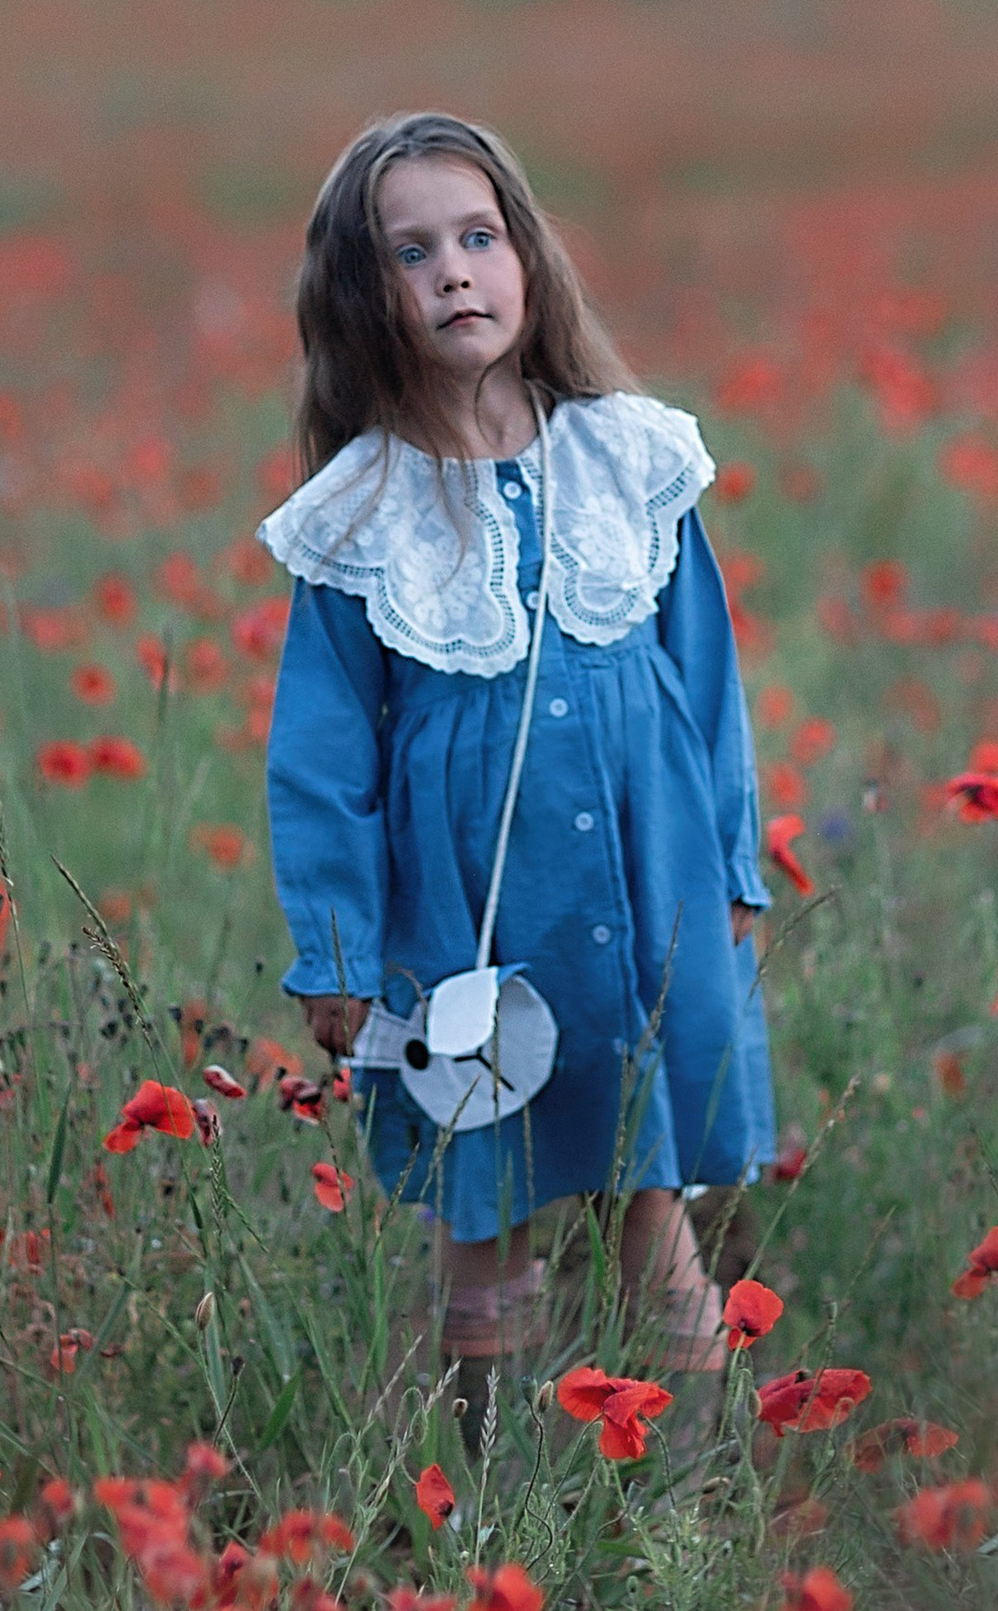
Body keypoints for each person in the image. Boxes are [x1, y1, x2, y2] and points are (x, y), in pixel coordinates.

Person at [259, 109, 775, 1446]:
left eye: (479, 236)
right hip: (469, 919)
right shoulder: (359, 514)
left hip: (644, 894)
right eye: (411, 251)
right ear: (360, 297)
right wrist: (334, 947)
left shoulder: (629, 455)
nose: (454, 272)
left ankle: (698, 1489)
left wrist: (729, 863)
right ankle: (482, 1487)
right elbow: (322, 760)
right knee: (481, 1212)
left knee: (651, 1202)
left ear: (528, 257)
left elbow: (704, 679)